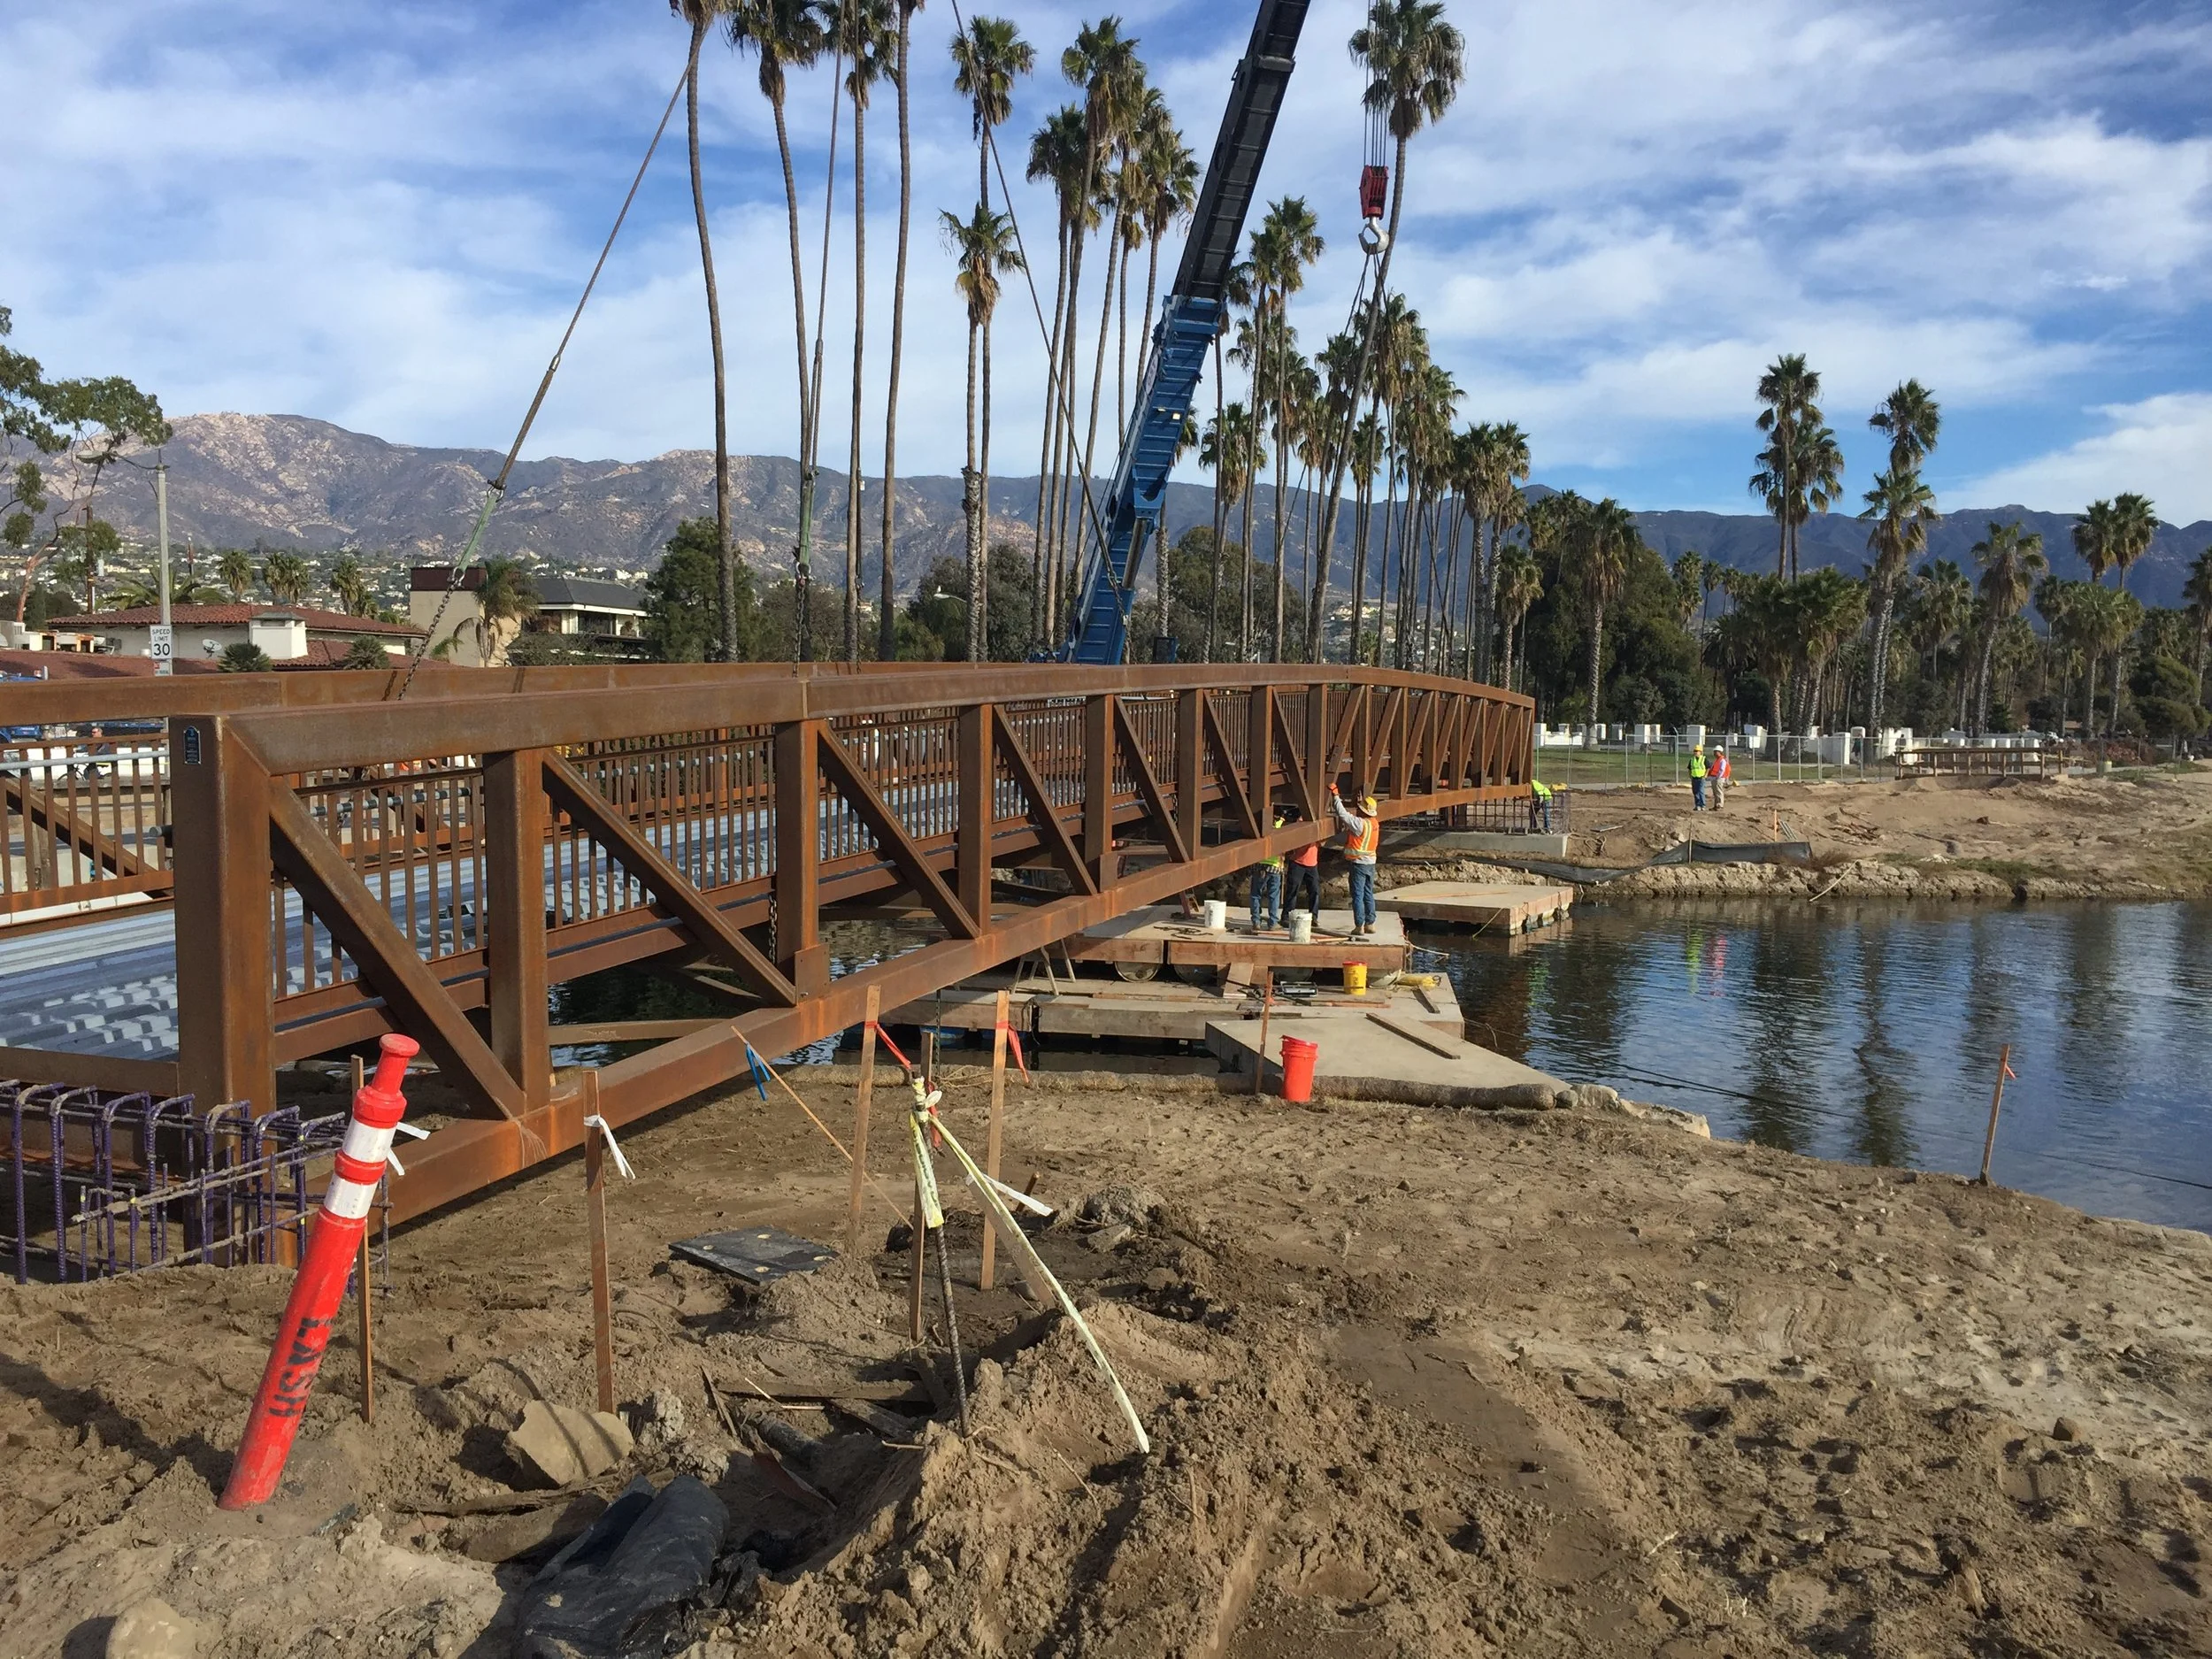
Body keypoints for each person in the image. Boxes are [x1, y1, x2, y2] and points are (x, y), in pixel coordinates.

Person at [1329, 785, 1380, 937]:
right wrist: (1360, 804)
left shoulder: (1359, 824)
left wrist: (1335, 795)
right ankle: (1370, 924)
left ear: (1363, 811)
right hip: (1371, 863)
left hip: (1358, 863)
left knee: (1357, 895)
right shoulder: (1374, 823)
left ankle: (1359, 926)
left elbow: (1343, 815)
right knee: (1368, 893)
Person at [1285, 810, 1322, 922]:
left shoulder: (1316, 824)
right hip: (1297, 862)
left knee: (1314, 890)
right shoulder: (1299, 825)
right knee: (1293, 890)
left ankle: (1314, 916)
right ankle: (1287, 915)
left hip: (1312, 863)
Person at [1250, 819, 1285, 933]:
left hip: (1260, 865)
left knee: (1256, 894)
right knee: (1274, 896)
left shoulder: (1261, 824)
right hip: (1275, 866)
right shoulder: (1282, 826)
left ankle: (1256, 921)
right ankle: (1273, 923)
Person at [1710, 744, 1731, 808]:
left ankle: (1720, 805)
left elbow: (1722, 769)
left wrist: (1718, 777)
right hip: (1715, 778)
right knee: (1715, 792)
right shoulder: (1717, 760)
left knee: (1719, 792)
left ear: (1719, 752)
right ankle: (1716, 805)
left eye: (1715, 752)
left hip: (1719, 778)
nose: (1714, 753)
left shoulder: (1722, 760)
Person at [1689, 743, 1708, 810]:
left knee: (1701, 791)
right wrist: (1690, 776)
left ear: (1701, 752)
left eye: (1697, 751)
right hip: (1694, 778)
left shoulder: (1703, 759)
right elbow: (1689, 768)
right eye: (1695, 751)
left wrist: (1705, 775)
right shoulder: (1692, 759)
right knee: (1695, 792)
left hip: (1701, 778)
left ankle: (1703, 805)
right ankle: (1697, 805)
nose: (1696, 752)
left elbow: (1708, 767)